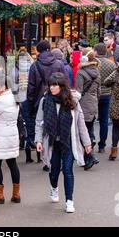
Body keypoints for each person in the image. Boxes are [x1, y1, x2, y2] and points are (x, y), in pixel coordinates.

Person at [35, 72, 93, 213]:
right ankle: (54, 188)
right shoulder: (45, 101)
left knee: (68, 171)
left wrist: (87, 142)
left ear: (62, 86)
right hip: (52, 142)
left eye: (55, 85)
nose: (52, 88)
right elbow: (39, 122)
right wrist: (38, 140)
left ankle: (69, 201)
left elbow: (80, 124)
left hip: (68, 141)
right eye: (51, 85)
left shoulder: (72, 101)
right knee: (54, 171)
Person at [27, 40, 66, 170]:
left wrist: (31, 102)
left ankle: (45, 158)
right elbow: (65, 82)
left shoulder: (35, 66)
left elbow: (31, 87)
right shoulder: (59, 64)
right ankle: (57, 158)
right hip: (58, 99)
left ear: (38, 51)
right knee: (58, 128)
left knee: (43, 128)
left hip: (40, 100)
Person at [75, 48, 100, 170]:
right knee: (89, 129)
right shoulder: (96, 71)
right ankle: (89, 154)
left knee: (82, 131)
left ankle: (90, 156)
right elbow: (98, 91)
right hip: (93, 103)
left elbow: (78, 91)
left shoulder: (81, 73)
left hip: (83, 104)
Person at [94, 43, 116, 153]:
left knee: (90, 119)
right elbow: (114, 80)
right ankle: (102, 145)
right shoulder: (111, 64)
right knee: (104, 120)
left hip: (93, 94)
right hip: (107, 94)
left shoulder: (92, 63)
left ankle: (91, 141)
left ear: (95, 52)